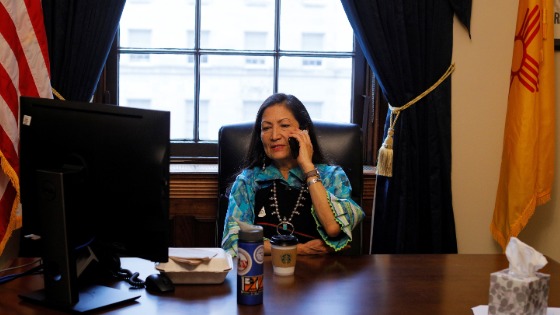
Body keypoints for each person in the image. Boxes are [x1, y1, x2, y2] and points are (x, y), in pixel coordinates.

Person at [221, 93, 364, 257]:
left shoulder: (332, 177)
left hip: (321, 277)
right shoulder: (249, 181)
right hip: (265, 275)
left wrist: (308, 168)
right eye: (266, 128)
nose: (274, 136)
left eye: (284, 125)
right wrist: (297, 250)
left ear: (304, 132)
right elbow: (233, 243)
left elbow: (333, 228)